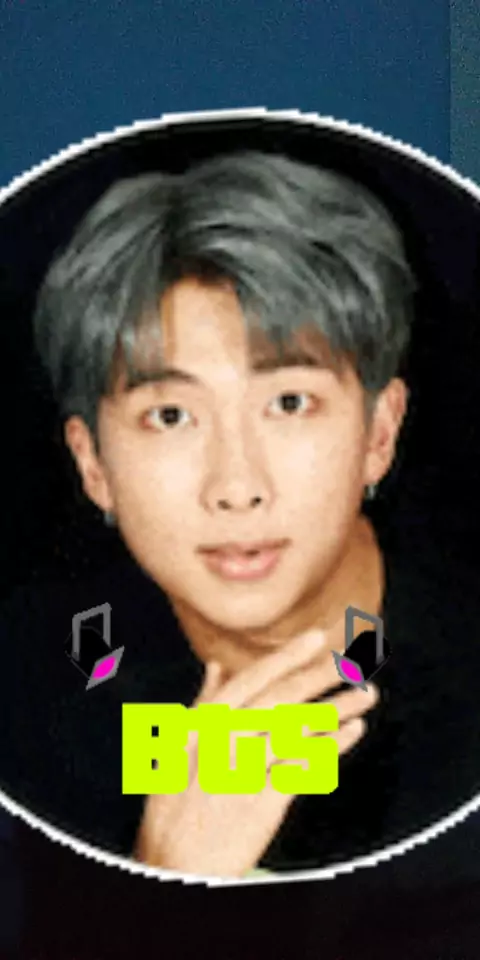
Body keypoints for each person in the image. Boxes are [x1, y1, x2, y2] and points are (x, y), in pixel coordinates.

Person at [1, 150, 480, 887]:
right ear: (92, 463)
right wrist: (167, 876)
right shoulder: (36, 695)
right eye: (170, 415)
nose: (236, 487)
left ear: (379, 434)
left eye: (289, 403)